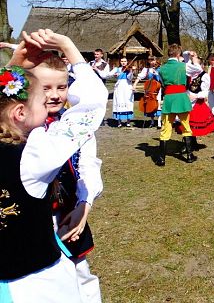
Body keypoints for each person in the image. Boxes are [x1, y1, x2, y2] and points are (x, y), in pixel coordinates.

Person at [0, 29, 107, 302]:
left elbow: (88, 164)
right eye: (40, 95)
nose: (50, 99)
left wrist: (13, 68)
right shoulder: (35, 151)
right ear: (20, 112)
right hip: (36, 280)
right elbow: (91, 107)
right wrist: (70, 48)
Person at [32, 54, 103, 303]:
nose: (54, 95)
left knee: (80, 274)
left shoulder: (74, 124)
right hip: (32, 218)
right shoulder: (22, 128)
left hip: (69, 213)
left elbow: (88, 166)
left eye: (61, 87)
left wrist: (84, 205)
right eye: (45, 88)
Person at [156, 44, 202, 165]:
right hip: (181, 98)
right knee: (186, 126)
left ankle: (161, 158)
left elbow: (163, 83)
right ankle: (189, 156)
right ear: (177, 54)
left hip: (169, 99)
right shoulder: (183, 66)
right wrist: (193, 59)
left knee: (165, 128)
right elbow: (198, 70)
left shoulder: (161, 69)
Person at [176, 53, 214, 140]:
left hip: (197, 103)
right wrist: (190, 54)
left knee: (193, 124)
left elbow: (206, 92)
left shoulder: (204, 76)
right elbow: (184, 57)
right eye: (193, 65)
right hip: (186, 101)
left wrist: (195, 96)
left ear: (201, 66)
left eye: (196, 65)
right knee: (185, 123)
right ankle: (190, 143)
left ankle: (190, 144)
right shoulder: (189, 74)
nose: (193, 66)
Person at [132, 56, 162, 128]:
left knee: (158, 103)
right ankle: (152, 121)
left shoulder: (160, 69)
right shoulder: (146, 69)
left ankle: (159, 121)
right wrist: (134, 85)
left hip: (157, 89)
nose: (152, 62)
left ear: (156, 60)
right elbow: (140, 77)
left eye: (153, 60)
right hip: (149, 89)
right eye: (150, 60)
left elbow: (162, 79)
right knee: (149, 104)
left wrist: (157, 73)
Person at [107, 57, 134, 128]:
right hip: (119, 87)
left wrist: (131, 71)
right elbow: (109, 74)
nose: (123, 62)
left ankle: (128, 122)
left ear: (127, 62)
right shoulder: (117, 69)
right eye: (122, 61)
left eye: (124, 61)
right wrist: (114, 75)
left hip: (127, 87)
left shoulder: (128, 69)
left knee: (128, 102)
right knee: (119, 101)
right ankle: (119, 122)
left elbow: (130, 78)